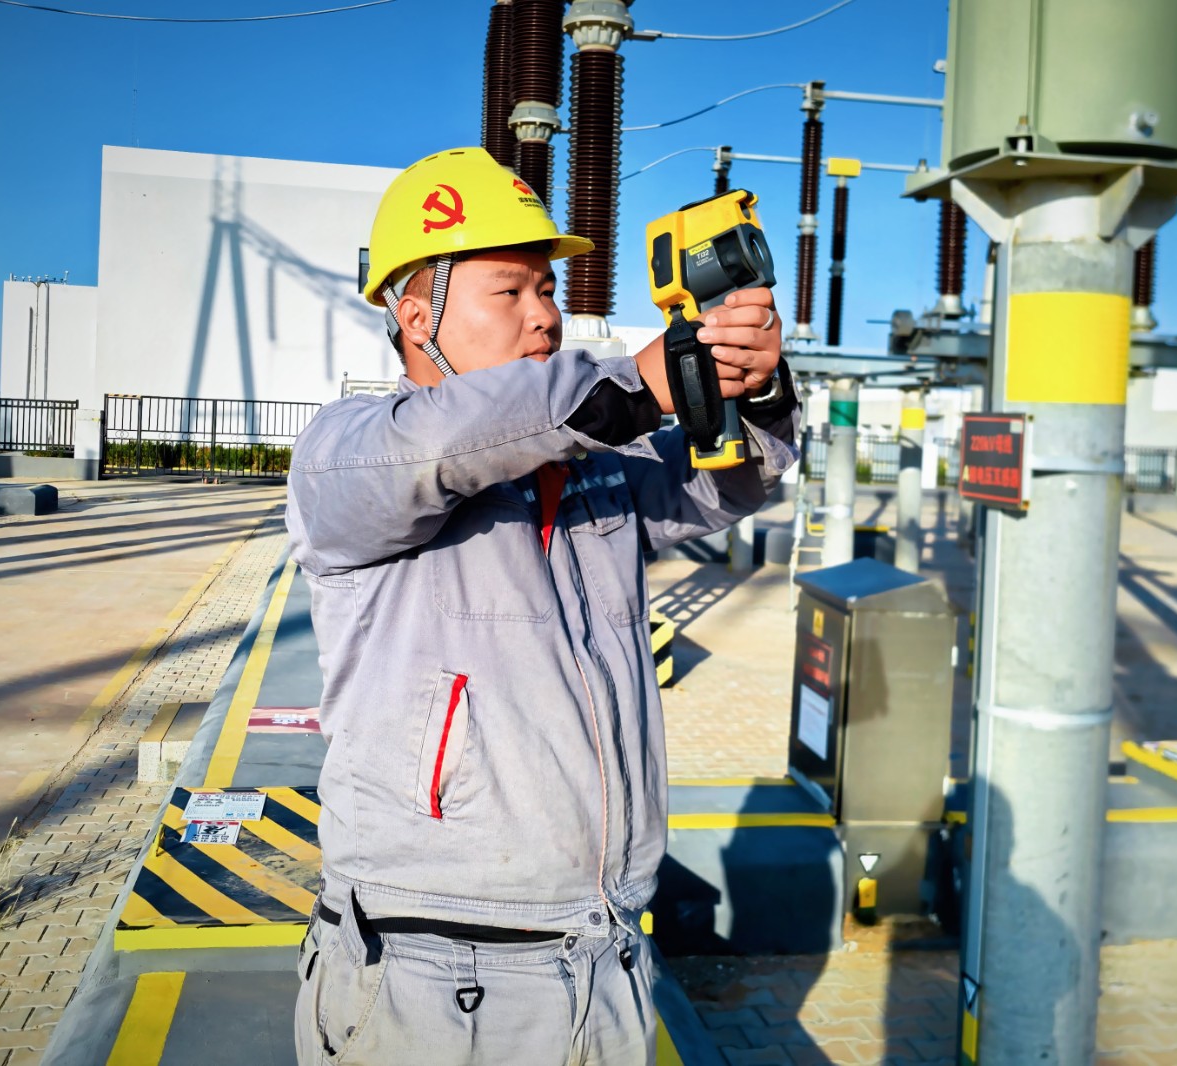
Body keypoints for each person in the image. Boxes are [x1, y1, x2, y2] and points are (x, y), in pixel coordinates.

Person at [285, 146, 799, 1065]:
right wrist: (642, 383)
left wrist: (749, 387)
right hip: (430, 970)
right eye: (511, 292)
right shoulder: (351, 454)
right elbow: (454, 438)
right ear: (417, 317)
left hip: (602, 951)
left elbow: (725, 487)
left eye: (550, 290)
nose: (548, 317)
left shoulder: (589, 463)